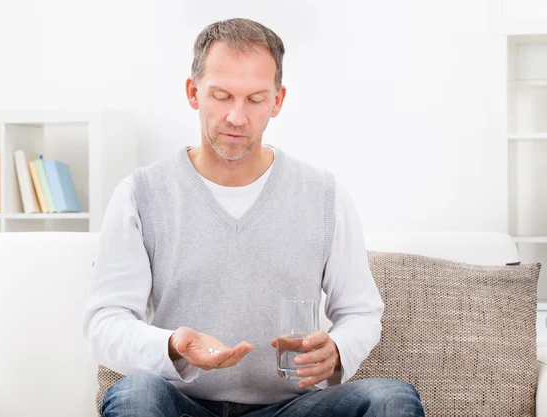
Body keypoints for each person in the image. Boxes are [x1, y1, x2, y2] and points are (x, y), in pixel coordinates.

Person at [83, 17, 425, 417]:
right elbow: (105, 321)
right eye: (222, 95)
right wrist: (172, 345)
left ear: (277, 101)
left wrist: (336, 350)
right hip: (183, 404)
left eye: (255, 99)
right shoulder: (140, 195)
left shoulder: (324, 195)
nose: (237, 117)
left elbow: (360, 312)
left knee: (392, 398)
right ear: (194, 92)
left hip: (292, 408)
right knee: (136, 393)